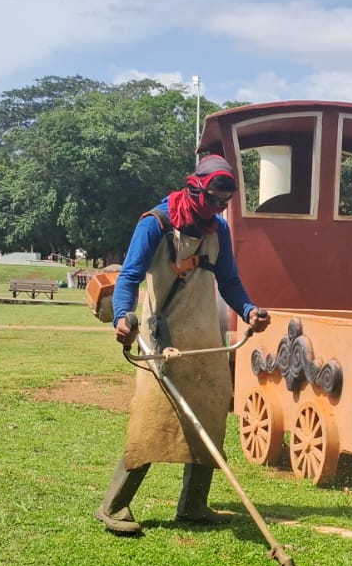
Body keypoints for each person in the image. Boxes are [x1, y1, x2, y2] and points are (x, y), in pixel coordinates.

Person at [97, 155, 271, 536]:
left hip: (204, 337)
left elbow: (230, 282)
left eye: (224, 202)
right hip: (161, 338)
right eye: (213, 199)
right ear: (195, 188)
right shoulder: (155, 223)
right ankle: (114, 505)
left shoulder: (218, 230)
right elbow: (129, 276)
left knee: (209, 413)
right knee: (150, 420)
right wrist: (122, 316)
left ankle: (193, 505)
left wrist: (249, 310)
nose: (218, 208)